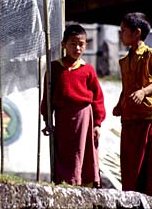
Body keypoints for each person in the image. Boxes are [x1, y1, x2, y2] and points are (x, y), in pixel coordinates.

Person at [41, 24, 106, 188]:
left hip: (84, 117)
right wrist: (47, 119)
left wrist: (97, 124)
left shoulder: (88, 70)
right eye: (72, 44)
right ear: (64, 45)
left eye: (81, 44)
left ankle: (85, 185)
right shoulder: (54, 68)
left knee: (83, 152)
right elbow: (47, 97)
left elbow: (98, 98)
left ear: (86, 45)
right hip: (62, 118)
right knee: (64, 153)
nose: (77, 48)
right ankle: (66, 184)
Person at [113, 12, 152, 197]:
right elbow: (127, 87)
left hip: (149, 117)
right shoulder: (124, 60)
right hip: (130, 118)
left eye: (123, 31)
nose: (121, 35)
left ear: (137, 32)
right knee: (131, 165)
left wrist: (144, 91)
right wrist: (120, 104)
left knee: (150, 165)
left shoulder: (150, 55)